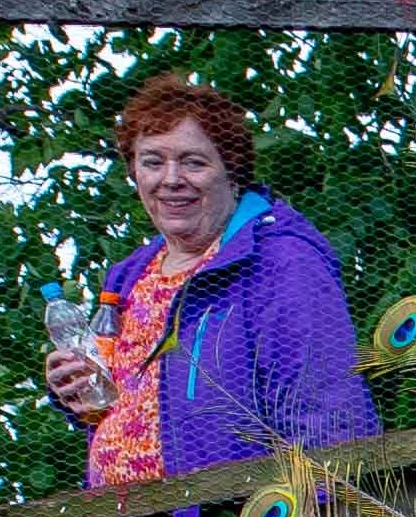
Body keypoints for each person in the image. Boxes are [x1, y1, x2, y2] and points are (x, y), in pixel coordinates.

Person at [45, 73, 377, 489]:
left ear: (231, 171)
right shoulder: (129, 277)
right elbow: (143, 402)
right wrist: (77, 390)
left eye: (193, 162)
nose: (170, 179)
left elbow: (327, 408)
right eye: (152, 161)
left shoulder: (279, 261)